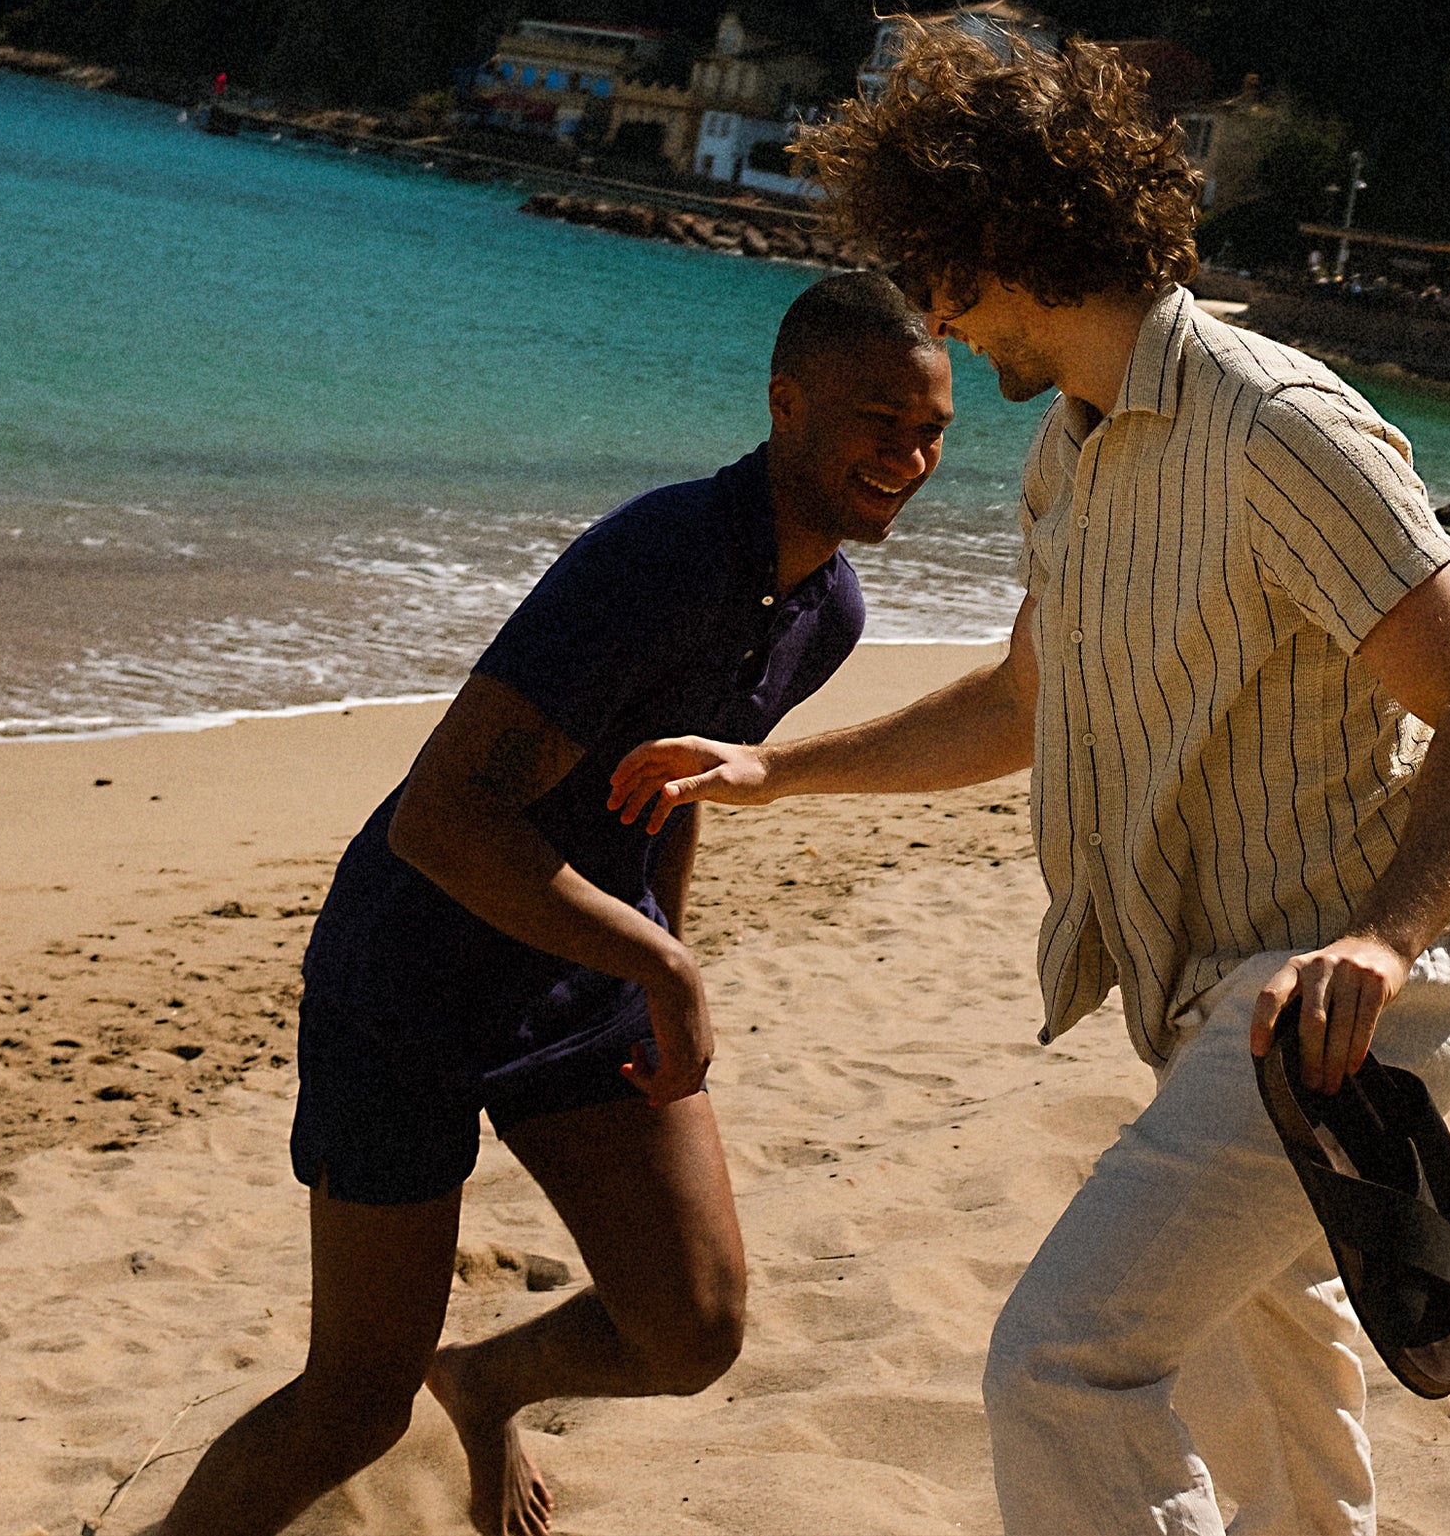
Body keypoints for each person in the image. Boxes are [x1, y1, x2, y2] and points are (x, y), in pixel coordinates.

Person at [610, 30, 1450, 1536]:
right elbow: (1023, 699)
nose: (933, 315)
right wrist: (778, 769)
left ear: (1016, 240)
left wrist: (1376, 943)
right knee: (1277, 1401)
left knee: (1059, 1363)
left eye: (946, 277)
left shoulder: (1272, 428)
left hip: (1338, 1013)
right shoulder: (1076, 448)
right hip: (1214, 1020)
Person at [160, 271, 953, 1536]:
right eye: (877, 422)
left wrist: (657, 955)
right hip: (409, 976)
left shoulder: (827, 609)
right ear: (784, 402)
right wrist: (669, 974)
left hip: (579, 977)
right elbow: (440, 817)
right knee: (357, 1402)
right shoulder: (662, 557)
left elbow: (674, 787)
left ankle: (480, 1387)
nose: (907, 457)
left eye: (929, 433)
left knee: (690, 1327)